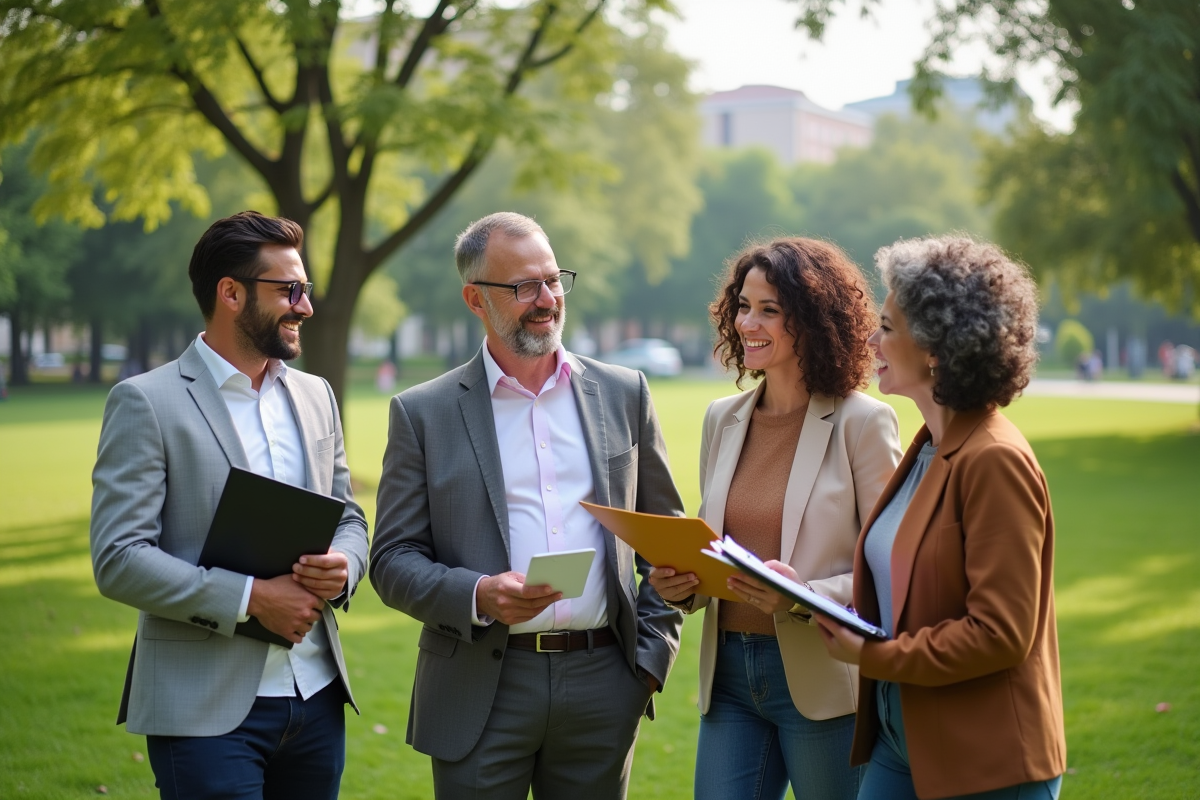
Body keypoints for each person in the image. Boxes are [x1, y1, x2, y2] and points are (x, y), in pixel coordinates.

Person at [370, 211, 686, 799]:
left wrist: (647, 662)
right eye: (522, 287)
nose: (545, 299)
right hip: (480, 683)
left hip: (604, 681)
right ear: (474, 299)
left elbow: (666, 537)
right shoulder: (423, 413)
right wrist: (477, 594)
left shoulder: (624, 393)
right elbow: (390, 560)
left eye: (553, 279)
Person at [90, 211, 369, 800]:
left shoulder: (316, 395)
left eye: (307, 289)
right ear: (231, 293)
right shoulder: (146, 402)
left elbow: (348, 516)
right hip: (203, 712)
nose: (305, 306)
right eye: (290, 290)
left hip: (317, 699)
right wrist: (251, 600)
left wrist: (345, 565)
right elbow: (119, 557)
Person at [808, 235, 1066, 799]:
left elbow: (1000, 634)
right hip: (902, 742)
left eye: (888, 327)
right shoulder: (928, 444)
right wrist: (823, 596)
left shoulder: (994, 459)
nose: (872, 339)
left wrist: (871, 655)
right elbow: (912, 582)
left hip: (986, 760)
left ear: (937, 349)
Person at [648, 238, 902, 800]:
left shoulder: (864, 423)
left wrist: (804, 594)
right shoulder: (723, 420)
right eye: (743, 306)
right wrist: (679, 584)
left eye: (769, 310)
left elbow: (892, 563)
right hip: (730, 680)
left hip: (822, 679)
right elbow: (713, 542)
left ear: (811, 320)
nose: (748, 323)